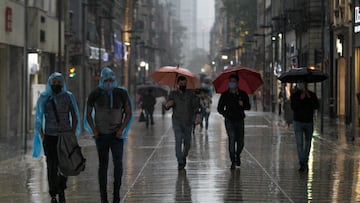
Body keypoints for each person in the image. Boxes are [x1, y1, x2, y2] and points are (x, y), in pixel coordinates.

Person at [85, 67, 133, 203]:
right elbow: (88, 114)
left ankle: (116, 194)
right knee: (103, 165)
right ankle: (103, 196)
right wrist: (94, 130)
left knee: (118, 164)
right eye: (106, 80)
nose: (109, 83)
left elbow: (128, 113)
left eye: (111, 80)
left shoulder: (121, 94)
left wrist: (121, 129)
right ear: (101, 80)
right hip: (101, 135)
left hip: (117, 135)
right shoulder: (95, 94)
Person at [32, 72, 81, 203]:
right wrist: (42, 135)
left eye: (59, 82)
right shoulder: (44, 98)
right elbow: (39, 117)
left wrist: (72, 132)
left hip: (65, 137)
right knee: (51, 166)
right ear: (50, 83)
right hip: (50, 137)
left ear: (63, 83)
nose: (56, 85)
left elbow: (74, 115)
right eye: (54, 82)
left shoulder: (68, 97)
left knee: (65, 165)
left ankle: (61, 188)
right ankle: (53, 194)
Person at [164, 76, 201, 170]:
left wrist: (197, 115)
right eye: (181, 83)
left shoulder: (190, 94)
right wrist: (168, 104)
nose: (182, 85)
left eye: (184, 83)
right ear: (177, 84)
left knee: (187, 143)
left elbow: (196, 106)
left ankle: (184, 156)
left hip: (188, 121)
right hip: (177, 121)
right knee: (178, 141)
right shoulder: (173, 94)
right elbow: (166, 106)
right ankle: (180, 161)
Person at [217, 74, 251, 170]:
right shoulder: (225, 95)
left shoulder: (242, 94)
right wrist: (225, 114)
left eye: (234, 81)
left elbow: (248, 107)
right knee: (231, 139)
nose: (232, 83)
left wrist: (242, 104)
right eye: (230, 81)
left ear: (237, 82)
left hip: (240, 120)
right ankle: (233, 161)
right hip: (229, 120)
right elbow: (219, 108)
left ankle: (237, 155)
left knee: (240, 142)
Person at [290, 82, 319, 172]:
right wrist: (300, 99)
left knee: (308, 143)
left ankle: (304, 161)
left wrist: (309, 98)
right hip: (298, 121)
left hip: (308, 121)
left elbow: (316, 106)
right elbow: (293, 107)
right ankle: (302, 162)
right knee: (299, 143)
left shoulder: (312, 94)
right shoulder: (295, 95)